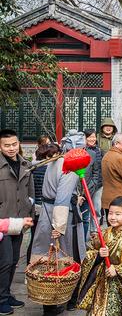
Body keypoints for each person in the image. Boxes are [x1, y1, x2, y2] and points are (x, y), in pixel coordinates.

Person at [31, 131, 86, 315]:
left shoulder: (56, 160)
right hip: (60, 217)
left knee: (48, 258)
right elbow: (61, 199)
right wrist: (59, 227)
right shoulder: (68, 166)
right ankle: (63, 299)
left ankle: (51, 302)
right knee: (63, 258)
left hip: (48, 213)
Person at [0, 129, 33, 315]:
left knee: (13, 261)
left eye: (14, 144)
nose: (11, 148)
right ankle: (1, 299)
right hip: (3, 222)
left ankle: (7, 293)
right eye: (7, 145)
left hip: (20, 220)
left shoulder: (25, 164)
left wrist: (29, 214)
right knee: (3, 262)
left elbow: (30, 193)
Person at [84, 130, 103, 236]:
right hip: (86, 184)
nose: (92, 139)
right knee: (86, 209)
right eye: (89, 137)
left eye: (94, 137)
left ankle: (95, 230)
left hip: (98, 184)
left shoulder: (98, 150)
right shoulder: (83, 151)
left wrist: (96, 182)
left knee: (96, 208)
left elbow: (99, 169)